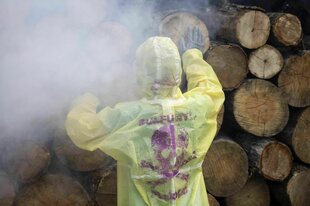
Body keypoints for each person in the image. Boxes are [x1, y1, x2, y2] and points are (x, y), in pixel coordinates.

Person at [66, 27, 224, 206]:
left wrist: (89, 96)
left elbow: (83, 130)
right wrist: (192, 55)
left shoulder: (129, 116)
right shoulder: (197, 107)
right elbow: (211, 88)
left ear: (140, 72)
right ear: (176, 70)